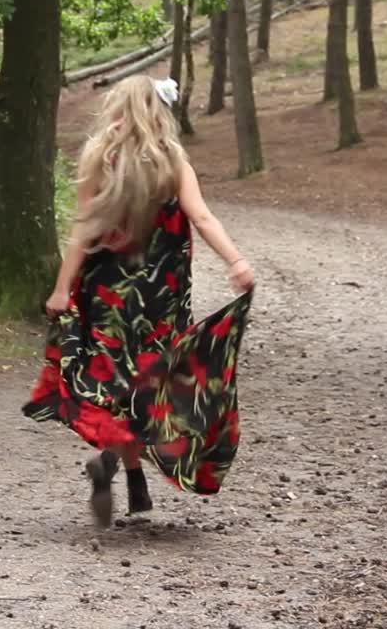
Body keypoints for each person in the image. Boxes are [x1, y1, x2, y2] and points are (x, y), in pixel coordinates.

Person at [22, 74, 256, 528]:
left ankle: (122, 471)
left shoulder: (98, 159)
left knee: (114, 387)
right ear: (158, 111)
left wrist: (60, 288)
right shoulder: (171, 161)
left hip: (107, 296)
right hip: (160, 299)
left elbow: (83, 228)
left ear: (117, 108)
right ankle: (123, 473)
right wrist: (236, 261)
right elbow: (202, 218)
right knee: (150, 385)